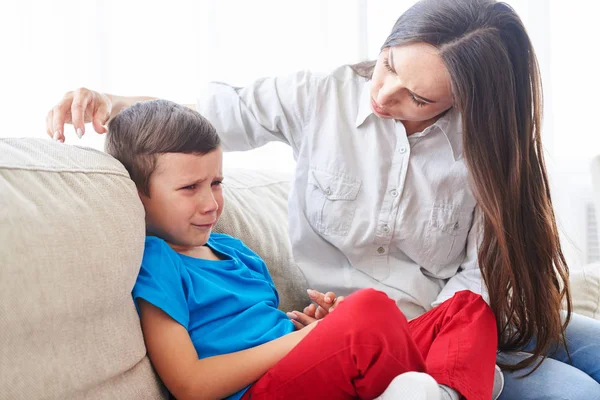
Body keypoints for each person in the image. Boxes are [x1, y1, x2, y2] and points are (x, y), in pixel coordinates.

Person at [46, 0, 600, 398]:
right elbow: (196, 128)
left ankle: (445, 389)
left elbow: (475, 284)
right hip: (364, 336)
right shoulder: (320, 95)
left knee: (493, 316)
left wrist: (325, 330)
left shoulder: (486, 149)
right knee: (575, 392)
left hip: (435, 327)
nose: (383, 95)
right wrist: (116, 102)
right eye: (388, 64)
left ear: (470, 104)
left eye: (418, 95)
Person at [103, 98, 498, 400]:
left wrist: (315, 326)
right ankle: (447, 379)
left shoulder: (235, 251)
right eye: (190, 188)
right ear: (137, 195)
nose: (211, 203)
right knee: (370, 309)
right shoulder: (157, 260)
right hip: (257, 392)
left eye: (217, 183)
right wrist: (312, 339)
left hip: (295, 369)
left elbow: (263, 327)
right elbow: (190, 384)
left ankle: (447, 390)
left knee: (466, 307)